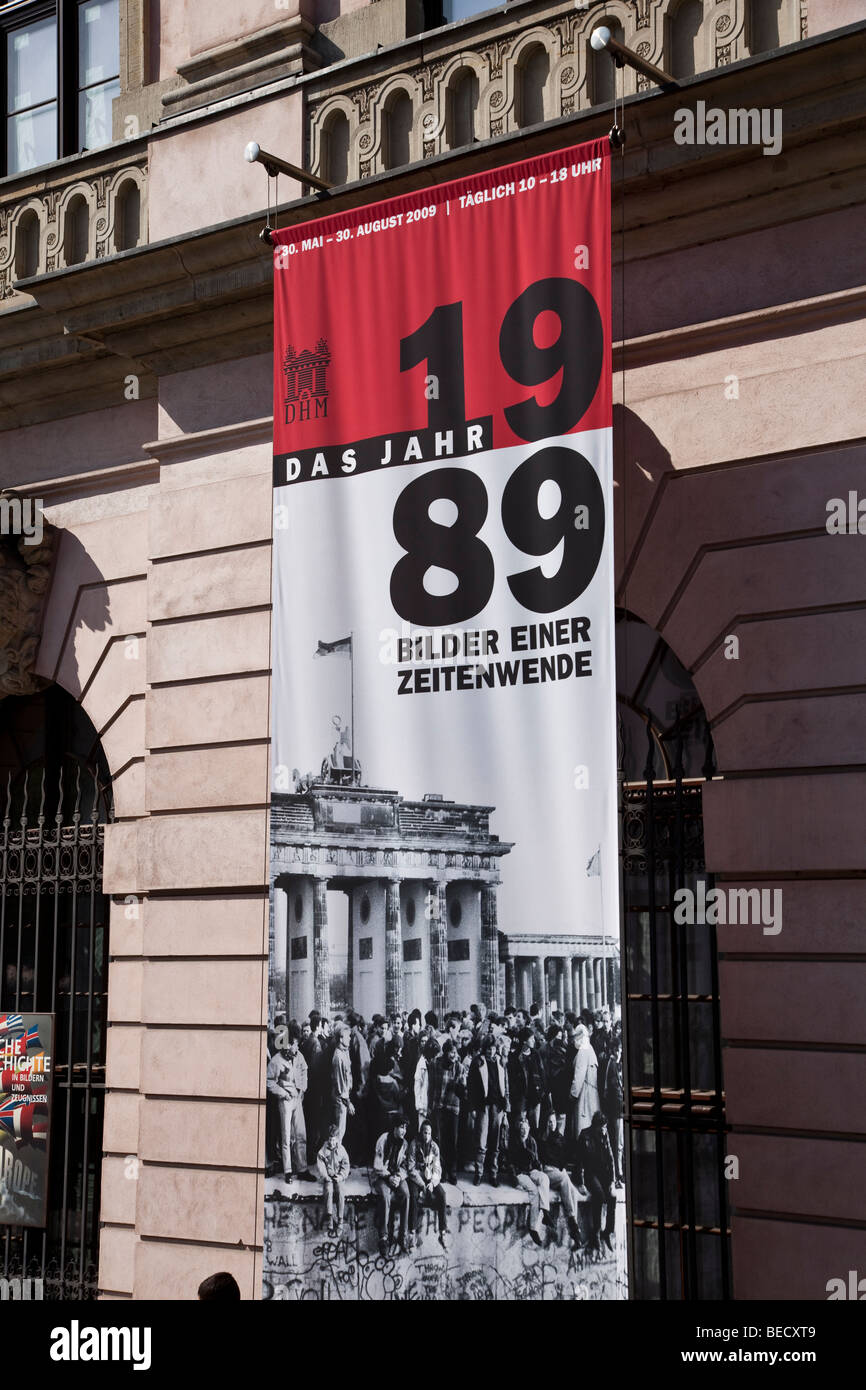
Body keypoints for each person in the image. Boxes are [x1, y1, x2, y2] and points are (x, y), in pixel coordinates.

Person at [266, 1023, 309, 1184]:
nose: (297, 1046)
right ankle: (288, 1171)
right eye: (295, 1043)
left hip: (297, 1099)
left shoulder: (299, 1056)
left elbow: (304, 1070)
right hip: (285, 1101)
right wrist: (283, 1093)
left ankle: (303, 1169)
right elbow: (269, 1081)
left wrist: (303, 1089)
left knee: (301, 1135)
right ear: (288, 1044)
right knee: (286, 1137)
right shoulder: (276, 1061)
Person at [539, 1112, 585, 1249]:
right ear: (545, 1123)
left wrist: (562, 1166)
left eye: (553, 1122)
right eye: (548, 1122)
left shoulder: (560, 1138)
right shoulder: (542, 1138)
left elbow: (564, 1157)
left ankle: (575, 1232)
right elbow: (544, 1158)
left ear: (556, 1123)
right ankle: (573, 1223)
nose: (551, 1124)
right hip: (547, 1171)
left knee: (572, 1190)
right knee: (565, 1180)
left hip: (559, 1171)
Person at [575, 1111, 618, 1256]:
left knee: (612, 1196)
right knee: (599, 1195)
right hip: (590, 1173)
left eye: (605, 1127)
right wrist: (580, 1182)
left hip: (604, 1174)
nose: (604, 1130)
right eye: (602, 1127)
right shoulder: (584, 1136)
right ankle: (596, 1233)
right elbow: (578, 1161)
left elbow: (611, 1160)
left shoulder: (605, 1137)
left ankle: (608, 1231)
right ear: (595, 1126)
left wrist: (612, 1181)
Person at [467, 1035, 508, 1186]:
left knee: (495, 1142)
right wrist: (472, 1107)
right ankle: (479, 1173)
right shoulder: (477, 1062)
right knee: (481, 1141)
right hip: (482, 1106)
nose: (491, 1051)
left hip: (497, 1106)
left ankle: (493, 1173)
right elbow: (470, 1087)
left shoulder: (501, 1062)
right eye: (488, 1048)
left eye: (493, 1048)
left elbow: (505, 1084)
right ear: (484, 1048)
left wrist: (505, 1105)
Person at [510, 1115, 551, 1246]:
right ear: (519, 1129)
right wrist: (515, 1179)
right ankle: (533, 1228)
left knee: (544, 1179)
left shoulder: (532, 1141)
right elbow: (510, 1163)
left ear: (529, 1129)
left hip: (531, 1170)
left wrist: (539, 1170)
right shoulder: (514, 1142)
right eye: (522, 1128)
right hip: (520, 1173)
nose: (524, 1131)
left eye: (526, 1128)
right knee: (534, 1191)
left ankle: (545, 1211)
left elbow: (536, 1160)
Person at [408, 1119, 449, 1249]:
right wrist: (422, 1185)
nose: (427, 1136)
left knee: (442, 1195)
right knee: (413, 1195)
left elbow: (437, 1168)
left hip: (430, 1178)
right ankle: (412, 1232)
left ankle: (443, 1232)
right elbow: (410, 1168)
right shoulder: (414, 1145)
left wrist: (432, 1183)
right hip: (417, 1178)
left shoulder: (434, 1147)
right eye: (425, 1133)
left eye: (429, 1133)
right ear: (421, 1132)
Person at [372, 1118, 411, 1256]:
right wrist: (389, 1176)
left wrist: (399, 1176)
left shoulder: (405, 1144)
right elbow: (377, 1165)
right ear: (394, 1128)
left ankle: (403, 1235)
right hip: (383, 1176)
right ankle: (383, 1237)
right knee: (385, 1196)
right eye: (401, 1127)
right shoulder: (383, 1139)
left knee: (406, 1194)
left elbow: (406, 1166)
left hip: (397, 1176)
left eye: (405, 1128)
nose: (404, 1131)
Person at [434, 1039, 465, 1182]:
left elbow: (462, 1091)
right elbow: (432, 1086)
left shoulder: (459, 1067)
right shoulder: (437, 1064)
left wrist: (460, 1085)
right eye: (451, 1052)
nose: (454, 1055)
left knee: (452, 1140)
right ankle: (442, 1170)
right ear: (446, 1052)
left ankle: (452, 1171)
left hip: (453, 1108)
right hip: (439, 1106)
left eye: (455, 1052)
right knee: (440, 1140)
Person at [317, 1121, 351, 1237]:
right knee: (328, 1191)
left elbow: (346, 1165)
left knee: (341, 1192)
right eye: (330, 1139)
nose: (331, 1142)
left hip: (338, 1177)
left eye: (334, 1140)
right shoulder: (322, 1151)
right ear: (327, 1139)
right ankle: (329, 1217)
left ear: (337, 1139)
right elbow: (320, 1165)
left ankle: (340, 1219)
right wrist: (326, 1177)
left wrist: (341, 1176)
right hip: (328, 1178)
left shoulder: (341, 1150)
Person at [568, 1023, 599, 1145]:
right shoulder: (590, 1048)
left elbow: (579, 1075)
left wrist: (573, 1093)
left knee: (582, 1123)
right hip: (593, 1092)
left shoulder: (582, 1051)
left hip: (584, 1093)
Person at [602, 1032, 624, 1187]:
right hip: (615, 1111)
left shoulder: (614, 1065)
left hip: (617, 1110)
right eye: (618, 1050)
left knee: (619, 1144)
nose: (619, 1052)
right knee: (616, 1144)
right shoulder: (611, 1065)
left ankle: (619, 1173)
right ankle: (616, 1175)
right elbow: (614, 1090)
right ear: (613, 1050)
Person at [330, 1023, 354, 1143]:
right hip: (340, 1100)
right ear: (340, 1038)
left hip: (343, 1098)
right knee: (339, 1134)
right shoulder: (338, 1057)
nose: (350, 1038)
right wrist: (348, 1103)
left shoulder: (344, 1052)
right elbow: (340, 1086)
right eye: (347, 1036)